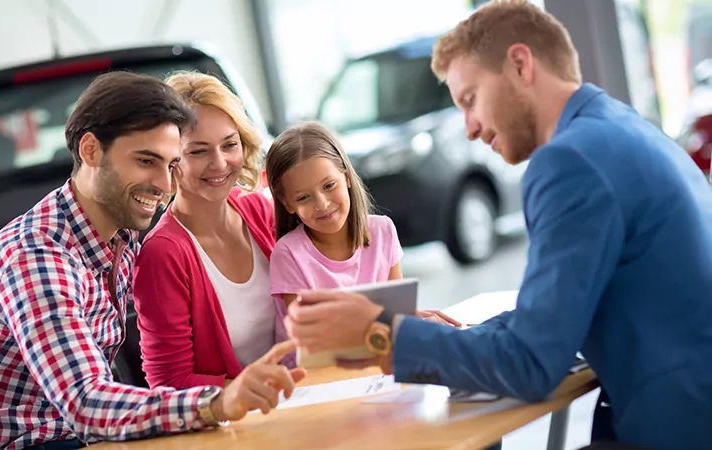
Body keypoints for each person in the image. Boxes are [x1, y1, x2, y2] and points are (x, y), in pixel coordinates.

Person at [284, 1, 712, 449]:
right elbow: (552, 314)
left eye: (470, 100)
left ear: (520, 64)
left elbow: (530, 364)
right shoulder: (621, 127)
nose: (469, 128)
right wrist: (451, 336)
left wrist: (380, 332)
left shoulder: (570, 162)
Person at [0, 71, 305, 449]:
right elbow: (87, 403)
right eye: (146, 161)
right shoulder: (37, 259)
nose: (165, 186)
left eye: (170, 165)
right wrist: (218, 402)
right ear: (90, 151)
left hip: (87, 438)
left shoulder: (121, 235)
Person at [132, 71, 295, 391]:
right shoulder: (163, 253)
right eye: (198, 151)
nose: (220, 163)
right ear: (169, 160)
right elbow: (169, 381)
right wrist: (245, 391)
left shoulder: (258, 210)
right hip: (235, 422)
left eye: (229, 144)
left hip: (300, 396)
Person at [264, 122, 405, 302]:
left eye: (329, 185)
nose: (322, 204)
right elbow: (308, 330)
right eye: (303, 197)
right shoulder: (288, 254)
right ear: (287, 204)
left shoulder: (383, 230)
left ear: (346, 178)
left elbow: (398, 312)